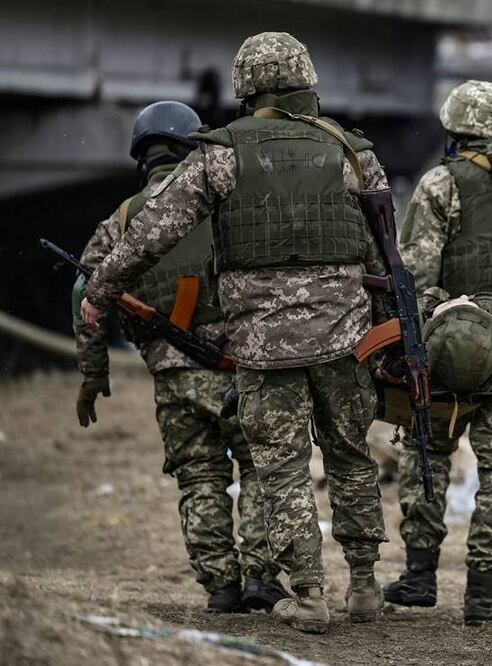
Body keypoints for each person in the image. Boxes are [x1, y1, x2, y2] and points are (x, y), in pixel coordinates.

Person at [80, 32, 389, 635]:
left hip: (262, 344)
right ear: (306, 80)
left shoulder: (220, 154)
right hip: (344, 335)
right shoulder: (354, 153)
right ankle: (365, 584)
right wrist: (385, 329)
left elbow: (152, 233)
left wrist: (101, 291)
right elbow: (383, 256)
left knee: (280, 466)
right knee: (352, 457)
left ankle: (309, 594)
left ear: (246, 86)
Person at [72, 100, 286, 614]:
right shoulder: (222, 205)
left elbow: (87, 297)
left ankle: (220, 585)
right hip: (238, 366)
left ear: (141, 157)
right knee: (260, 466)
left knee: (199, 475)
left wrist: (92, 373)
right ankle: (261, 575)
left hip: (172, 375)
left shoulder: (121, 221)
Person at [388, 80, 492, 625]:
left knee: (425, 455)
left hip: (446, 349)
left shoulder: (440, 184)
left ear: (453, 129)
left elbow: (414, 276)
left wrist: (433, 331)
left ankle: (418, 575)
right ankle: (483, 597)